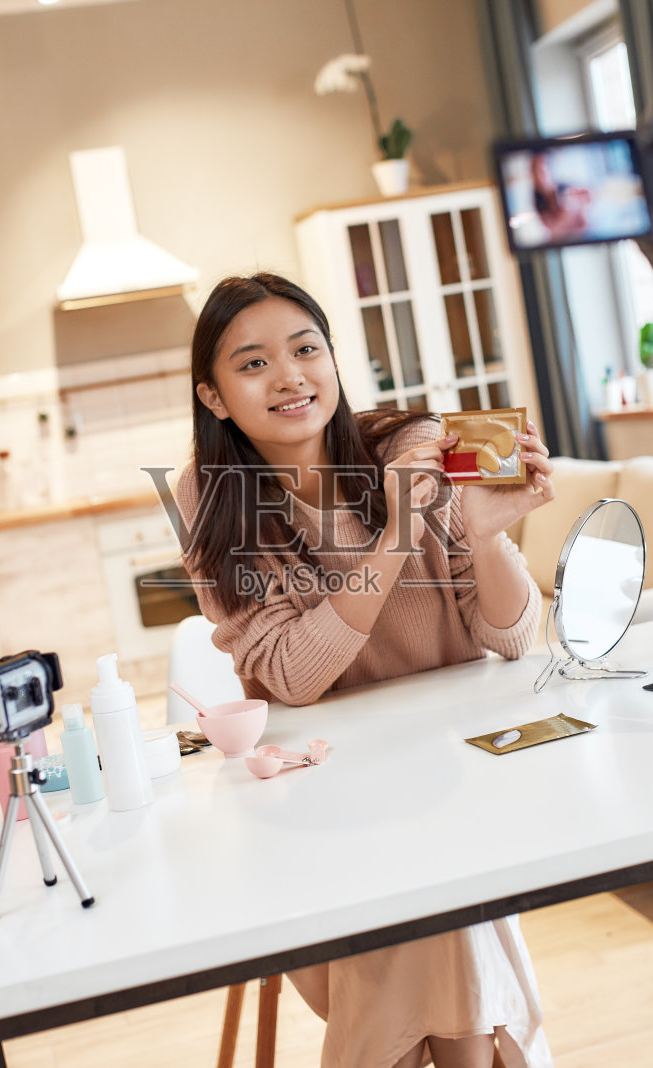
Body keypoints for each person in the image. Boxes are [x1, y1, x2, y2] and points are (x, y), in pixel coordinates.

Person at [171, 273, 559, 1068]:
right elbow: (292, 675)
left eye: (306, 349)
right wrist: (391, 541)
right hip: (327, 813)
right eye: (253, 364)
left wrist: (484, 535)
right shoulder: (211, 498)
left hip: (461, 777)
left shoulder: (412, 449)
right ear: (213, 397)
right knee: (436, 903)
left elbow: (514, 638)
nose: (289, 376)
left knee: (434, 887)